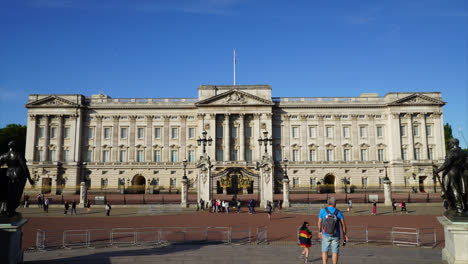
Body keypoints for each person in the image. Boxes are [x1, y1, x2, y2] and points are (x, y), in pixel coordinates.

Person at [318, 197, 348, 264]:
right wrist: (344, 235)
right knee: (335, 252)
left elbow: (319, 222)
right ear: (335, 203)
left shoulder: (323, 211)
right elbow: (343, 224)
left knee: (324, 251)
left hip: (325, 234)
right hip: (336, 234)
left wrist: (320, 231)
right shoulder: (338, 212)